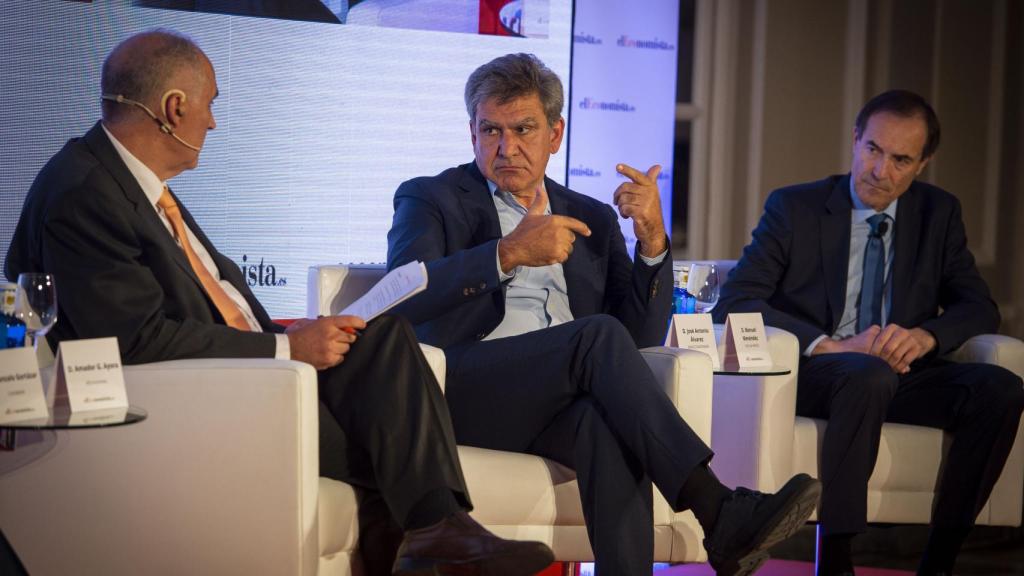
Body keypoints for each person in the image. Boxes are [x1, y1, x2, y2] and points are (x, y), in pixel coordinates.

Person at [3, 29, 554, 576]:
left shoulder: (133, 186)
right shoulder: (84, 192)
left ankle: (438, 531)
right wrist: (285, 346)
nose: (213, 123)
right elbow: (136, 341)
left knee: (380, 336)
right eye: (210, 105)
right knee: (392, 442)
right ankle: (435, 533)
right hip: (213, 399)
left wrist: (301, 342)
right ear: (174, 108)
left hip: (257, 379)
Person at [386, 52, 821, 576]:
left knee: (603, 424)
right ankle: (717, 508)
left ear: (555, 133)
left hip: (557, 395)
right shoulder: (430, 197)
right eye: (490, 131)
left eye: (523, 129)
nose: (506, 148)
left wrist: (653, 243)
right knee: (592, 337)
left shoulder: (590, 215)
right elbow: (404, 297)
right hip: (462, 385)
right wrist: (506, 255)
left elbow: (635, 338)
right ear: (472, 133)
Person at [715, 89, 1024, 576]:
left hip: (901, 373)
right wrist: (831, 345)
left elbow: (978, 306)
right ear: (856, 139)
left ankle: (939, 561)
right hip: (822, 374)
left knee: (1001, 389)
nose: (881, 171)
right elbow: (736, 300)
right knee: (865, 375)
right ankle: (837, 561)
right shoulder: (796, 208)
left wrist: (926, 337)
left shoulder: (937, 214)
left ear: (923, 163)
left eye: (901, 159)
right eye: (874, 150)